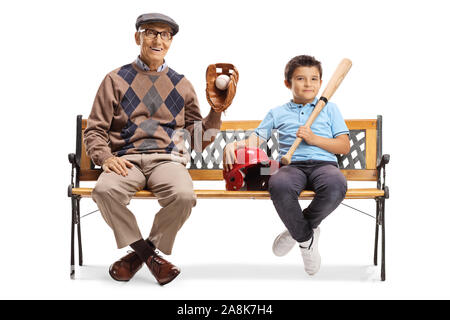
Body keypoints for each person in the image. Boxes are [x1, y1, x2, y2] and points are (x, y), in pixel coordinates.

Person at [84, 13, 225, 285]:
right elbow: (95, 130)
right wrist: (105, 158)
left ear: (171, 42)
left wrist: (216, 111)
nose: (158, 39)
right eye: (151, 32)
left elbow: (199, 139)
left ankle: (138, 255)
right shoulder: (115, 79)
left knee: (184, 196)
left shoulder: (181, 84)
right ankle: (150, 256)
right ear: (137, 37)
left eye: (165, 34)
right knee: (104, 191)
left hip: (167, 160)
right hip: (126, 160)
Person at [224, 55, 350, 276]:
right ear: (288, 83)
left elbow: (343, 146)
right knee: (279, 184)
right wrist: (235, 144)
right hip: (291, 166)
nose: (308, 84)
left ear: (321, 83)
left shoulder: (330, 110)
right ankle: (307, 237)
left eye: (314, 78)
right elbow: (257, 139)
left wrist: (314, 139)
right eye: (301, 78)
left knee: (336, 186)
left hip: (325, 165)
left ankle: (298, 233)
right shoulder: (278, 112)